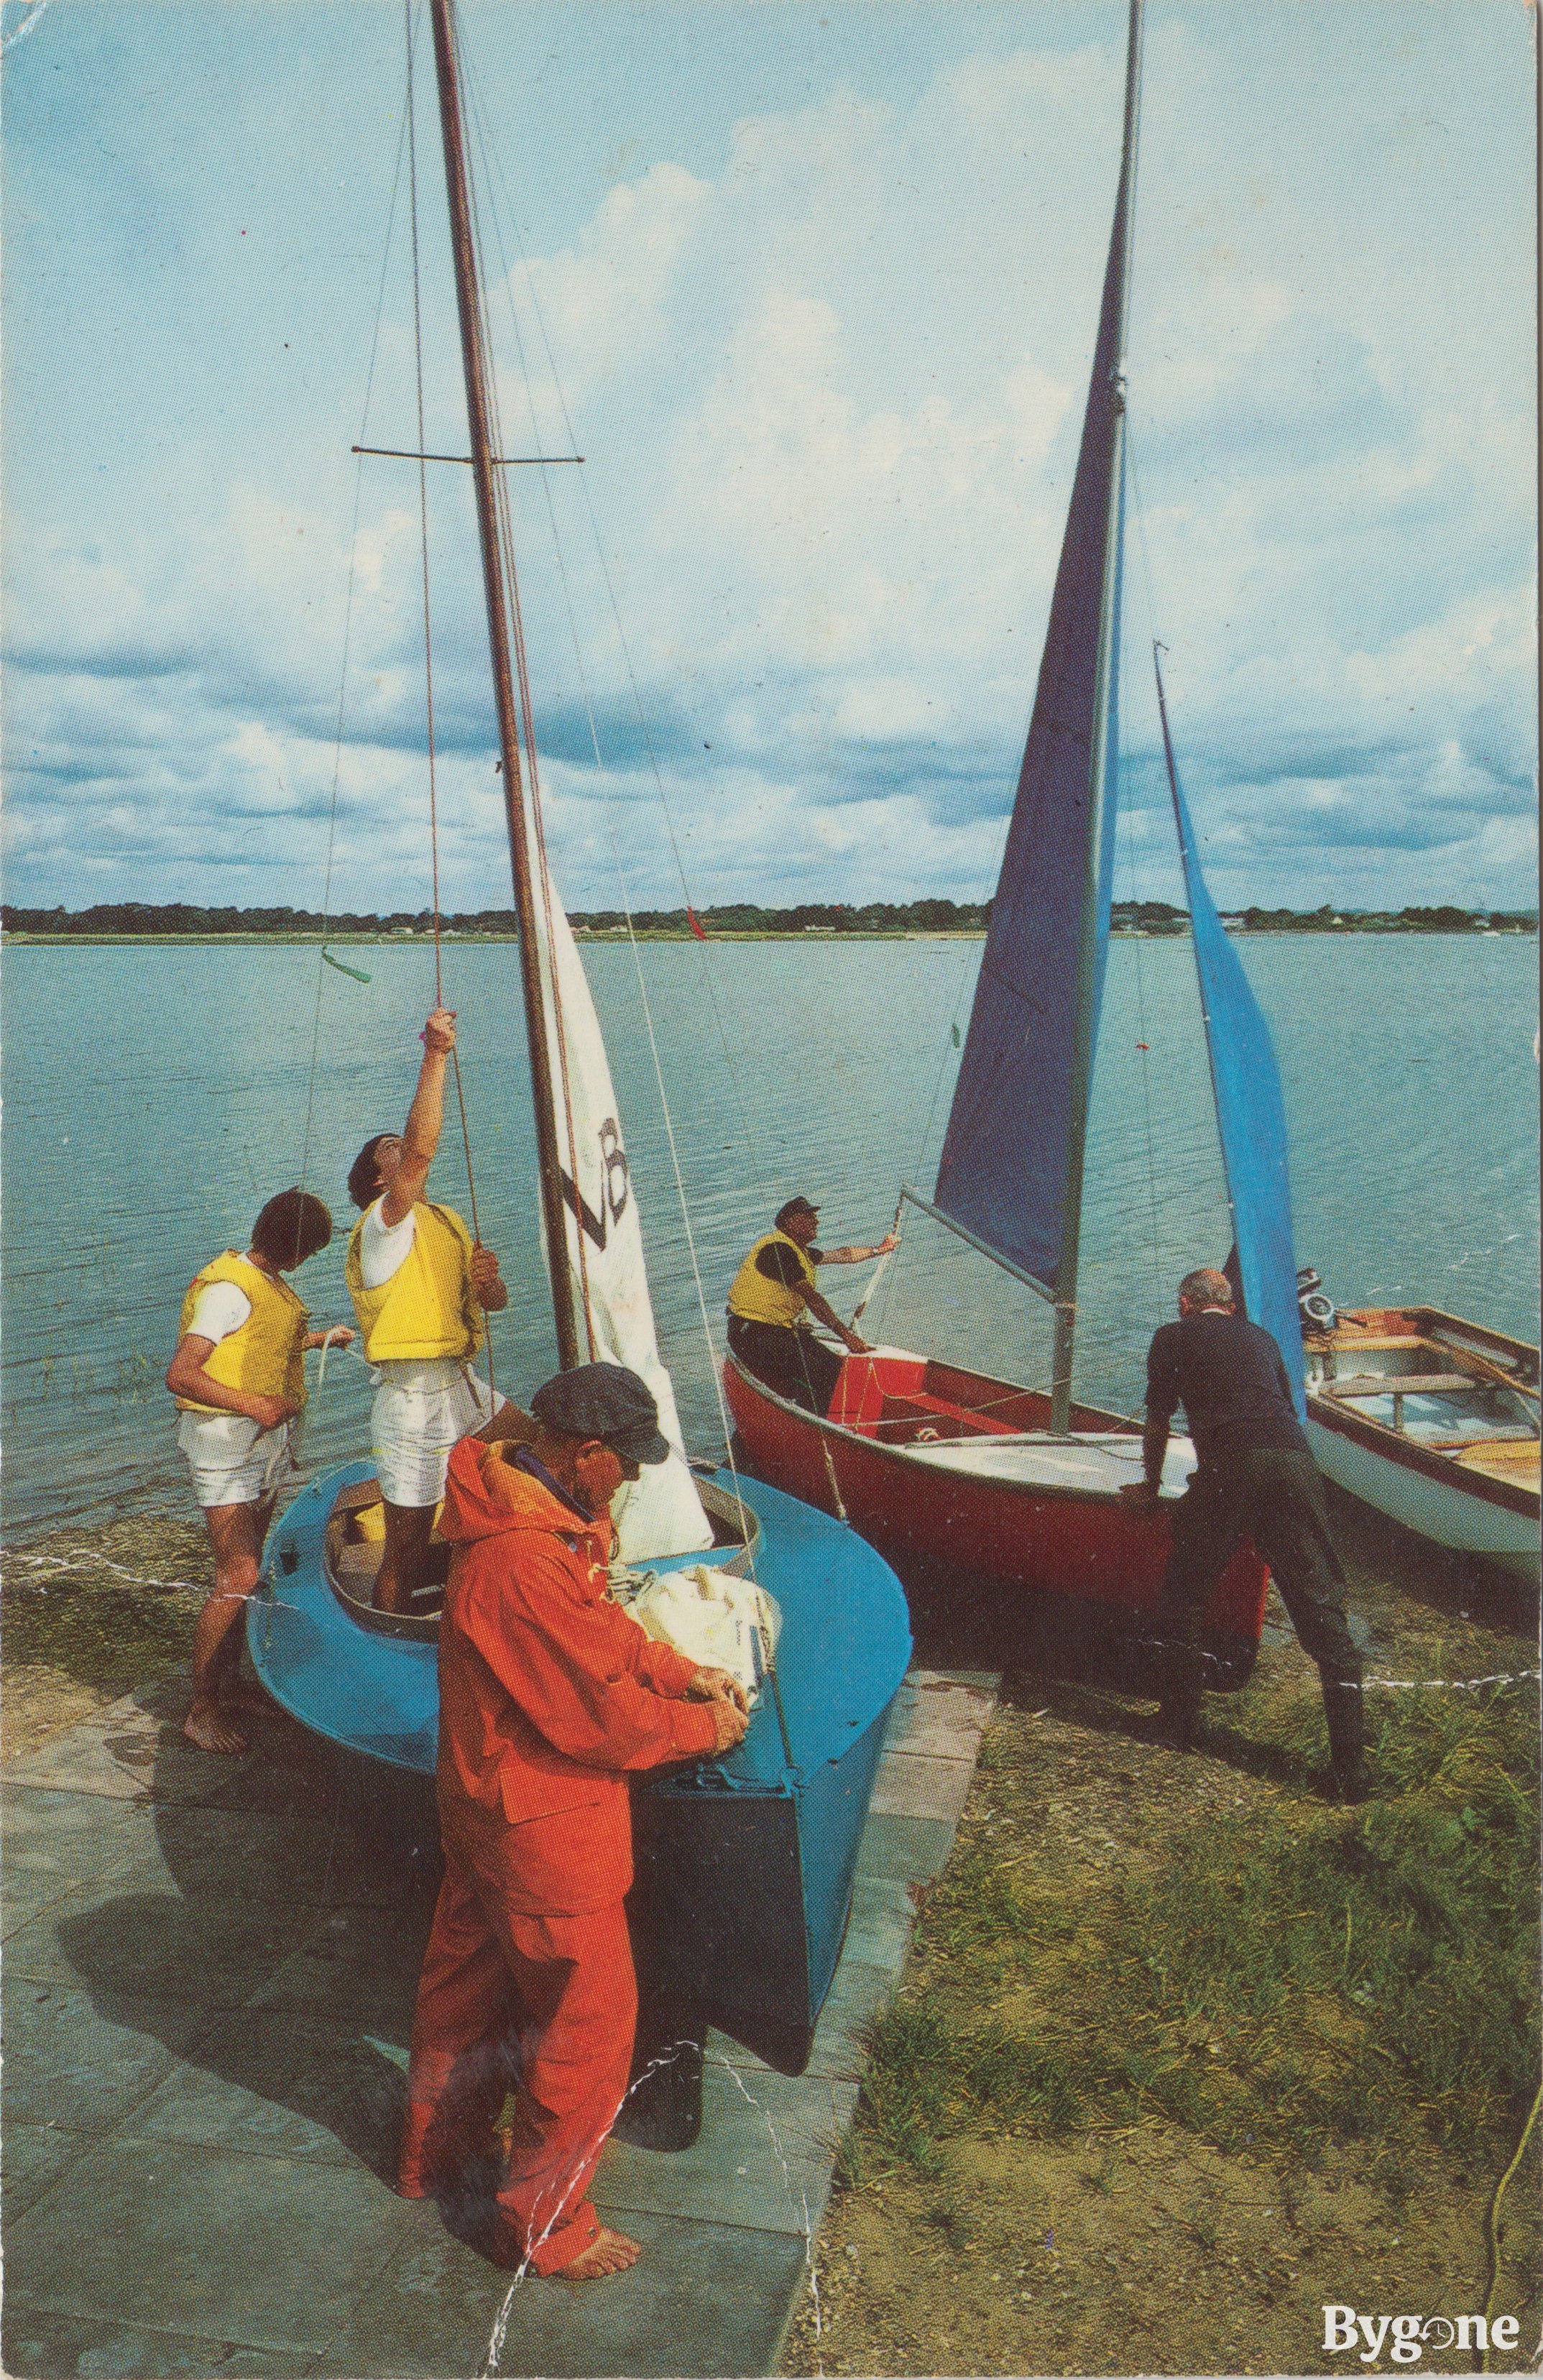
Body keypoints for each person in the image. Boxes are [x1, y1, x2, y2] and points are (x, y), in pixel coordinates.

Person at [397, 1361, 751, 2280]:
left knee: (464, 1990)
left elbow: (596, 1632)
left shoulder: (526, 1513)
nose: (630, 1478)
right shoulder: (522, 1555)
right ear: (584, 1452)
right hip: (543, 1828)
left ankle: (433, 2155)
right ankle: (549, 2224)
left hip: (480, 1802)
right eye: (624, 1462)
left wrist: (677, 1670)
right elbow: (598, 1717)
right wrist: (701, 1724)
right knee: (586, 2026)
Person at [1120, 1266, 1369, 1800]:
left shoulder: (1171, 1336)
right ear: (1228, 1304)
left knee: (1185, 1595)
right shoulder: (1262, 1337)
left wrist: (1147, 1481)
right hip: (1295, 1465)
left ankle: (1177, 1726)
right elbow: (1283, 1407)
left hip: (1233, 1465)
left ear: (1185, 1302)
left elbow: (1158, 1418)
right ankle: (1352, 1772)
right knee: (1323, 1615)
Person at [167, 1187, 352, 1754]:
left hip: (261, 1448)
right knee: (239, 1574)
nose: (306, 1261)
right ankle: (200, 1709)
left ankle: (231, 1685)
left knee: (245, 1572)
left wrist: (323, 1338)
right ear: (296, 1248)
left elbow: (261, 1343)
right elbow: (181, 1374)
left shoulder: (264, 1280)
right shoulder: (227, 1290)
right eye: (310, 1251)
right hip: (226, 1446)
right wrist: (254, 1405)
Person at [345, 1007, 510, 1614]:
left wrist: (489, 1286)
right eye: (389, 1148)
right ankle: (389, 1630)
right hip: (410, 1400)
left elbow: (493, 1302)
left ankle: (491, 1594)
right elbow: (421, 1155)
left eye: (400, 1140)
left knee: (540, 1448)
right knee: (406, 1545)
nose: (402, 1148)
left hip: (461, 1385)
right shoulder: (380, 1226)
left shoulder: (445, 1222)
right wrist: (435, 1055)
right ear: (375, 1177)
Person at [725, 1195, 898, 1415]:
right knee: (819, 1370)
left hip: (775, 1331)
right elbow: (812, 1298)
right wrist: (846, 1335)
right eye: (808, 1217)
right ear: (789, 1223)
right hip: (751, 1333)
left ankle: (819, 1416)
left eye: (815, 1217)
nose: (816, 1222)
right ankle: (810, 1420)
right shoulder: (778, 1251)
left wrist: (879, 1250)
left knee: (834, 1366)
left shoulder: (801, 1252)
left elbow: (842, 1255)